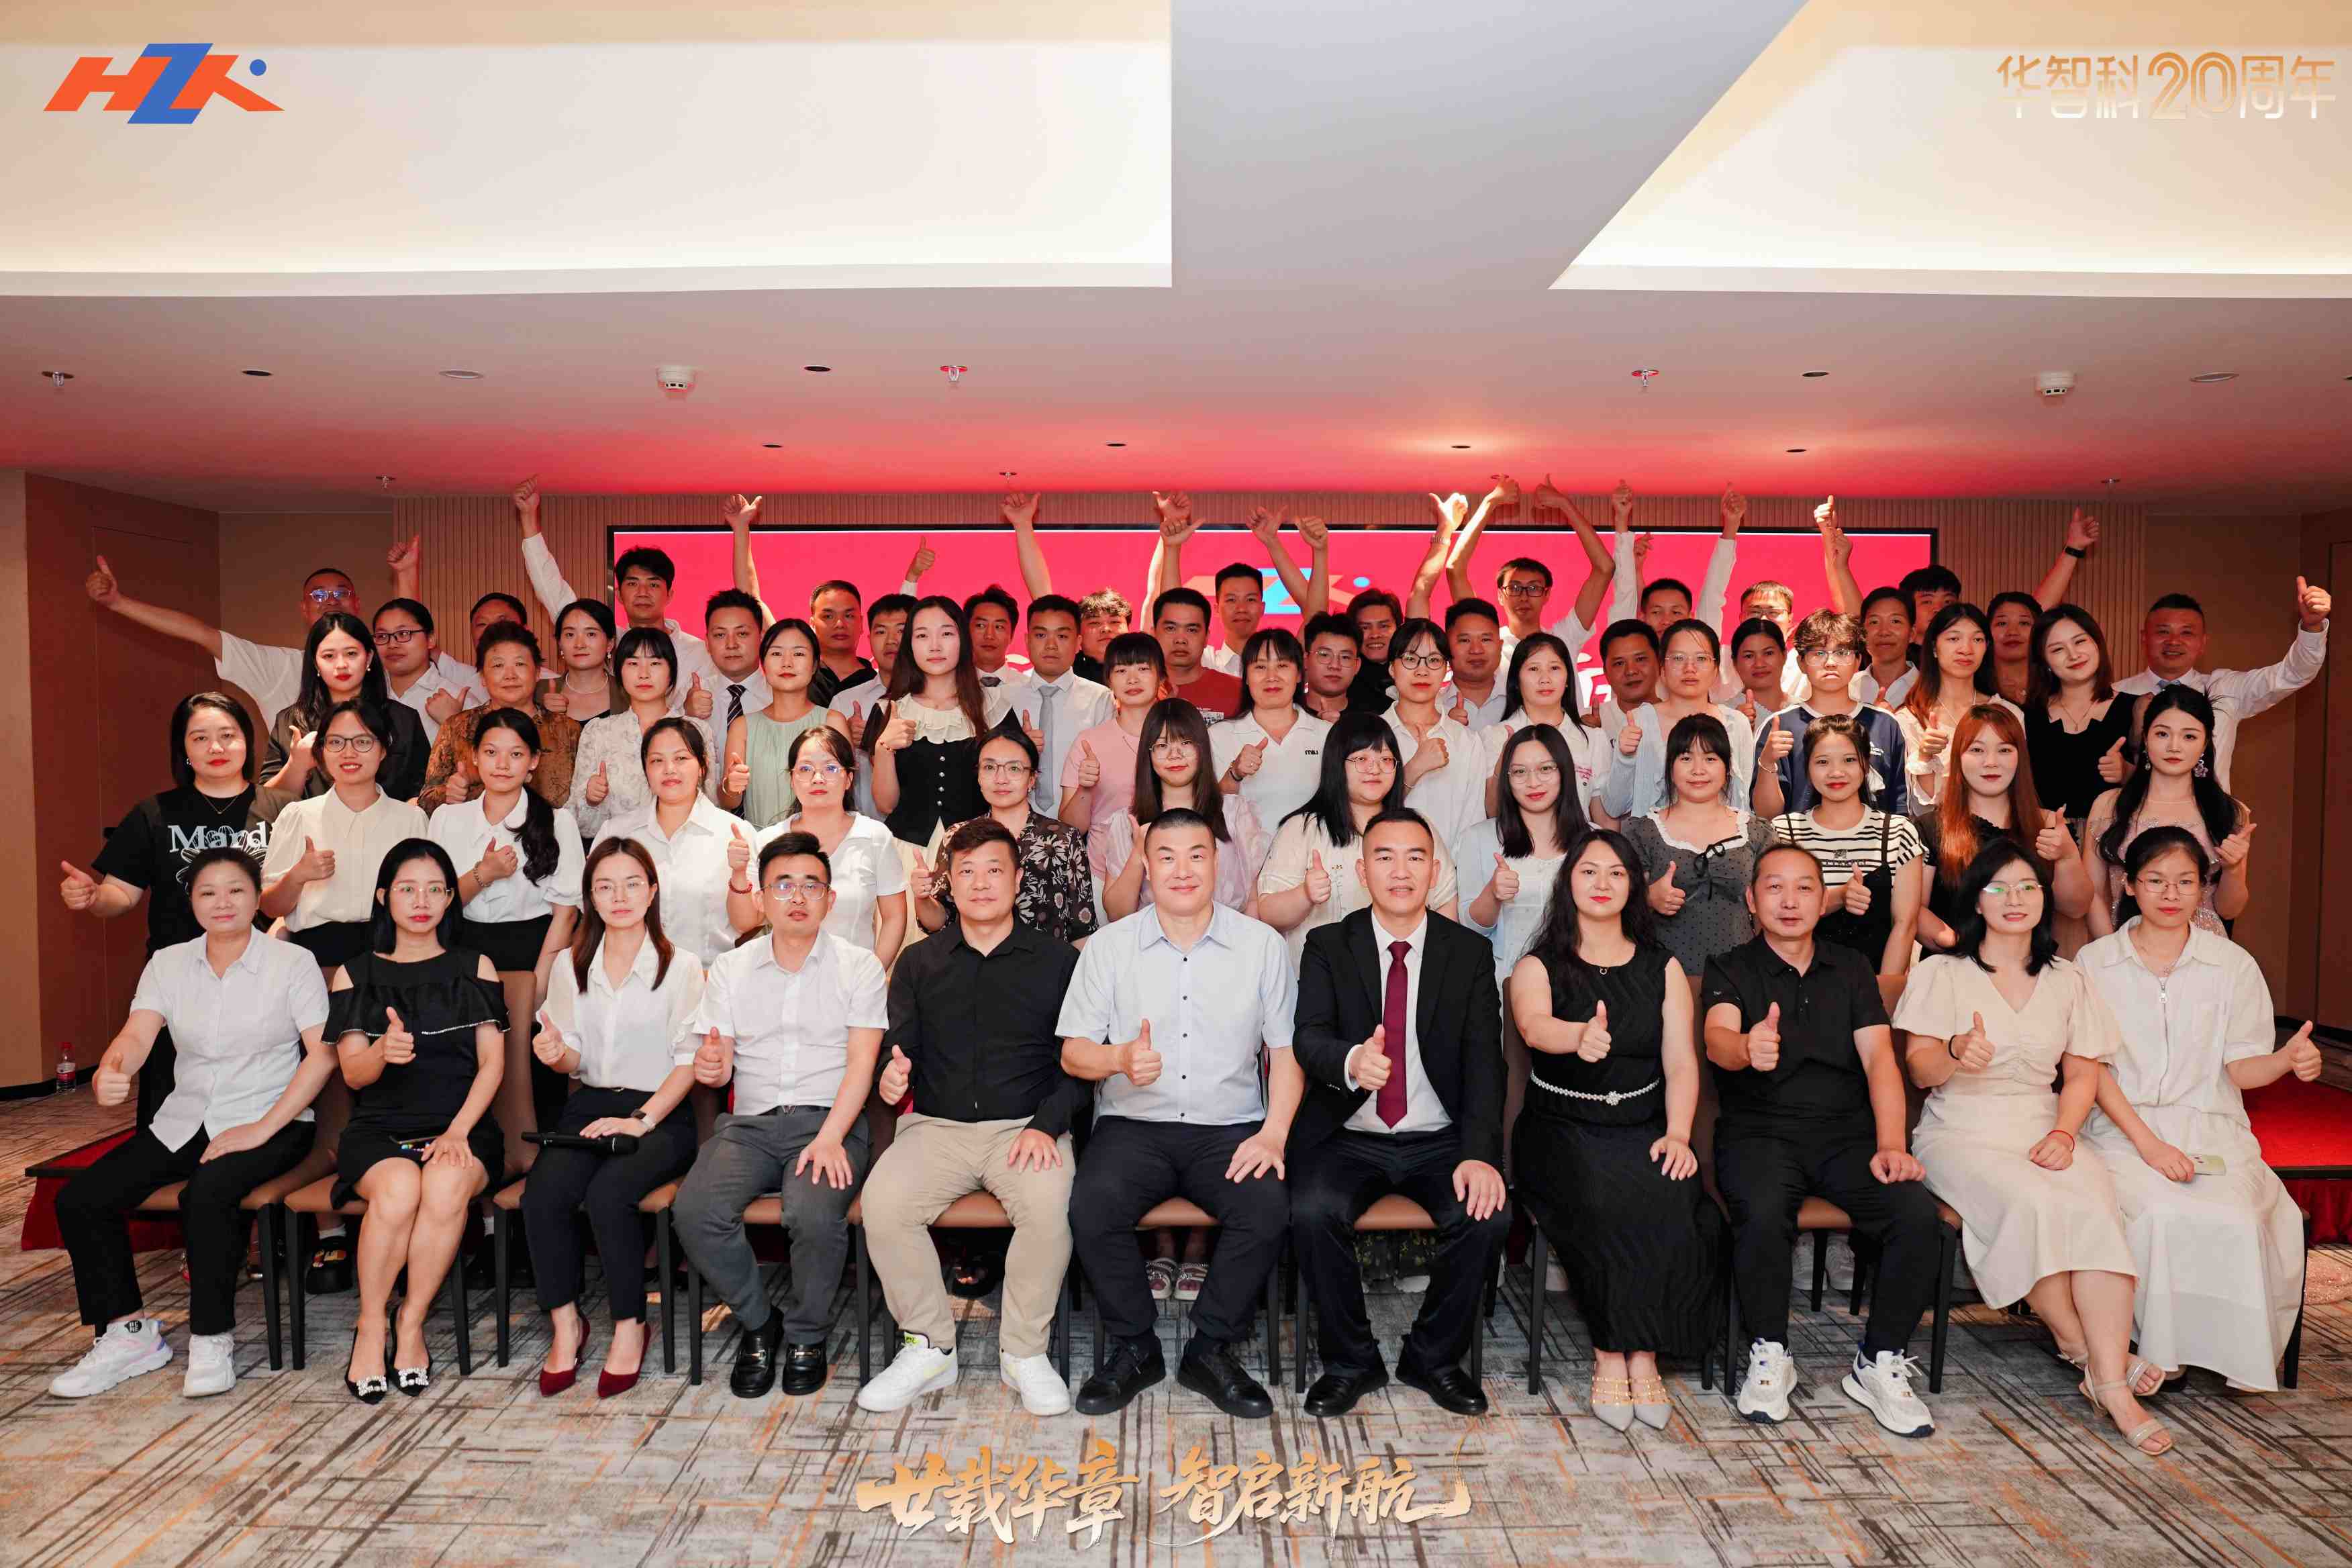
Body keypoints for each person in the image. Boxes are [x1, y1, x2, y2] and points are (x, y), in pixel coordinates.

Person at [1894, 843, 2168, 1456]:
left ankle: (2104, 1374)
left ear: (2044, 900)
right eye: (1999, 888)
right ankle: (2094, 1360)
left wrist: (2065, 1134)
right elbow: (1919, 1070)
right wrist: (1955, 1051)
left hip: (2044, 1126)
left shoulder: (2068, 979)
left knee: (2094, 1204)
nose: (2014, 900)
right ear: (1976, 902)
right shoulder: (1942, 972)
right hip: (1961, 1131)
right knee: (2033, 1203)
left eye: (2027, 888)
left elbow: (2083, 1075)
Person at [48, 848, 335, 1401]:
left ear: (256, 897)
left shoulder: (291, 963)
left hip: (273, 1118)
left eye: (236, 890)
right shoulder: (169, 963)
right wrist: (112, 1069)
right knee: (82, 1198)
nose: (222, 902)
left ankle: (211, 1337)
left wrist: (261, 1129)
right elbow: (137, 1034)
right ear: (191, 901)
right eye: (208, 892)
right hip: (186, 1119)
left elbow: (322, 1055)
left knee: (207, 1193)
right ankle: (128, 1333)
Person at [1059, 810, 1301, 1418]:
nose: (1182, 870)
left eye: (1197, 855)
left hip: (1229, 1126)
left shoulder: (1261, 946)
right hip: (1134, 1126)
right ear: (1147, 865)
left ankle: (1210, 1349)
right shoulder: (1111, 947)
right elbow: (1073, 1052)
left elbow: (1286, 1052)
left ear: (1217, 863)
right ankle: (1135, 1347)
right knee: (1091, 1205)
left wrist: (1274, 1135)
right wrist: (1118, 1058)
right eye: (1166, 857)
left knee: (1266, 1206)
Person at [1702, 843, 1944, 1436]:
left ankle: (1878, 1361)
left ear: (1822, 899)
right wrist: (1747, 1048)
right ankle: (1769, 1352)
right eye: (1775, 888)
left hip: (1845, 1136)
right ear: (1751, 900)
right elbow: (1716, 1040)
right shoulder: (1729, 967)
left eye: (1804, 887)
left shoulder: (1852, 968)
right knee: (1762, 1213)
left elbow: (1881, 1061)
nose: (1789, 901)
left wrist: (1892, 1145)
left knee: (1916, 1215)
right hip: (1759, 1133)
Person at [856, 818, 1087, 1416]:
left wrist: (1046, 1124)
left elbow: (1081, 1065)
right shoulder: (918, 963)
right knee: (884, 1205)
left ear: (1018, 879)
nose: (981, 883)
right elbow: (897, 1050)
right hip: (938, 1127)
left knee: (1050, 1208)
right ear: (949, 885)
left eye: (994, 871)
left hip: (1027, 1127)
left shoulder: (1058, 963)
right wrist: (891, 1076)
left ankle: (1024, 1352)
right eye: (967, 872)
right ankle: (929, 1346)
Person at [2077, 827, 2314, 1392]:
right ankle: (2161, 1350)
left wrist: (2284, 1061)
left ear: (2202, 888)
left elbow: (2242, 1069)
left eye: (2185, 882)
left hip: (2212, 1124)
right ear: (2129, 886)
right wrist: (2149, 1145)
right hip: (2120, 1126)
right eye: (2155, 881)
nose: (2170, 894)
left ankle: (2229, 1351)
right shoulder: (2095, 962)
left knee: (2236, 1213)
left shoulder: (2232, 965)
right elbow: (2092, 1070)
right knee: (2158, 1210)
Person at [1287, 810, 1508, 1416]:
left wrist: (1480, 1154)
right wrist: (1352, 1060)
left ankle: (1432, 1358)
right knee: (1311, 1210)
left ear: (1434, 870)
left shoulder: (1468, 953)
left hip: (1439, 1136)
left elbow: (1485, 1064)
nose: (1401, 871)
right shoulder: (1329, 945)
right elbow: (1308, 1037)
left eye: (1415, 857)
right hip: (1349, 1133)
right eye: (1384, 857)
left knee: (1486, 1215)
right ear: (1363, 872)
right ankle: (1351, 1361)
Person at [1508, 829, 1718, 1430]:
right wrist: (1577, 1035)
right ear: (1568, 882)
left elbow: (1681, 1062)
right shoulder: (1538, 964)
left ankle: (1644, 1355)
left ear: (1633, 888)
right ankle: (1608, 1352)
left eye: (1617, 874)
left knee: (1675, 1192)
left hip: (1643, 1123)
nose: (1602, 884)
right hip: (1560, 1127)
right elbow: (1533, 1027)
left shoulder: (1663, 967)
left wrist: (1678, 1134)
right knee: (1602, 1195)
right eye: (1589, 872)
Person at [674, 832, 885, 1400]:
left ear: (830, 900)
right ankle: (759, 1321)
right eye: (783, 885)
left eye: (811, 886)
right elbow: (717, 1066)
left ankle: (807, 1335)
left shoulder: (859, 967)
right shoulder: (731, 969)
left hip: (828, 1121)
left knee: (812, 1213)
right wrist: (712, 1067)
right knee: (695, 1211)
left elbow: (862, 1065)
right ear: (762, 898)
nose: (797, 897)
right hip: (750, 1127)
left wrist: (833, 1137)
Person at [522, 838, 705, 1399]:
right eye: (605, 887)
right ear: (591, 898)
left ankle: (630, 1324)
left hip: (661, 1113)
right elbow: (574, 1057)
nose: (619, 897)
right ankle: (566, 1323)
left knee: (609, 1195)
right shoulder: (570, 965)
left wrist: (640, 1121)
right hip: (591, 1104)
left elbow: (688, 1063)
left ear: (652, 892)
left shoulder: (682, 966)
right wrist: (556, 1054)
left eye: (631, 884)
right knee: (543, 1195)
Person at [327, 840, 507, 1402]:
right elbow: (353, 1074)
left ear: (451, 897)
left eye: (435, 889)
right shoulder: (355, 974)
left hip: (462, 1126)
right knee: (401, 1187)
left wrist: (458, 1131)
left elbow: (493, 1063)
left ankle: (411, 1322)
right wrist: (382, 1053)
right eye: (408, 889)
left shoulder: (474, 966)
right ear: (385, 896)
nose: (422, 901)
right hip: (378, 1132)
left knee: (447, 1182)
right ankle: (370, 1325)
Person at [62, 693, 289, 1127]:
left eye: (228, 735)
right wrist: (94, 898)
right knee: (170, 1111)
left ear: (247, 741)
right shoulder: (154, 813)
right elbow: (120, 895)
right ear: (183, 750)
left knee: (260, 1105)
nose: (216, 747)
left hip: (262, 978)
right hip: (179, 981)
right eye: (200, 738)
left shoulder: (284, 810)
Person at [429, 709, 585, 1173]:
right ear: (474, 758)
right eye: (491, 752)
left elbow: (565, 913)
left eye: (516, 754)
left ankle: (534, 1174)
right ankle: (477, 1174)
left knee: (533, 1067)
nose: (502, 764)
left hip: (535, 951)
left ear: (534, 761)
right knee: (467, 1065)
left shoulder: (557, 822)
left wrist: (540, 983)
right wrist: (484, 874)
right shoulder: (447, 819)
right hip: (464, 952)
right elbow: (434, 905)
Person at [86, 555, 477, 724]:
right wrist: (119, 603)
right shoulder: (278, 667)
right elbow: (199, 633)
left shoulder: (378, 660)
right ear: (304, 610)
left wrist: (407, 574)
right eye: (318, 596)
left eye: (341, 593)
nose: (331, 601)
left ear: (357, 604)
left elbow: (408, 627)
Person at [1458, 724, 1579, 1180]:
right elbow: (1472, 926)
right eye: (1520, 772)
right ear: (1506, 780)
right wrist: (1493, 894)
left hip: (1576, 989)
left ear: (1564, 773)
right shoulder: (1480, 838)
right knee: (1509, 1095)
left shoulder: (1588, 841)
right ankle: (1508, 1187)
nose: (1534, 782)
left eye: (1545, 769)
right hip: (1502, 988)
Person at [1259, 714, 1462, 967]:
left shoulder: (1418, 826)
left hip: (1405, 977)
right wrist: (1305, 895)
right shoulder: (1303, 828)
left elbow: (1446, 903)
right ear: (1337, 764)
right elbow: (1268, 913)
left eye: (1385, 759)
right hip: (1323, 977)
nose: (1374, 769)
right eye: (1361, 759)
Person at [1765, 714, 1925, 1012]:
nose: (1836, 772)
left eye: (1849, 760)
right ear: (1807, 767)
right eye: (1822, 762)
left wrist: (1880, 995)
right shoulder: (1784, 831)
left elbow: (1905, 925)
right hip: (1793, 993)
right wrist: (1839, 896)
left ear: (1866, 764)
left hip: (1872, 993)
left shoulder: (1897, 831)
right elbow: (1769, 917)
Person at [2110, 579, 2331, 790]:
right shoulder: (2114, 695)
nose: (2174, 641)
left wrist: (2312, 627)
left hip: (2209, 816)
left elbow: (2293, 674)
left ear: (2202, 643)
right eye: (2163, 631)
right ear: (2144, 638)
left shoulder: (2225, 689)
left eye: (2186, 632)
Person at [262, 701, 431, 970]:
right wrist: (298, 875)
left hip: (394, 961)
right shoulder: (298, 816)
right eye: (336, 742)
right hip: (317, 962)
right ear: (322, 751)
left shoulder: (411, 819)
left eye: (363, 742)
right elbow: (270, 907)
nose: (349, 753)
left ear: (383, 750)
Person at [728, 727, 908, 964]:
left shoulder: (874, 836)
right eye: (805, 769)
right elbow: (744, 922)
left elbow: (894, 917)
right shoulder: (769, 840)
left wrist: (873, 973)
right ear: (792, 780)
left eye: (830, 768)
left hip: (854, 976)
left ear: (849, 779)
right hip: (784, 975)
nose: (818, 778)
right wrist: (739, 873)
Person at [2082, 687, 2251, 940]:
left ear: (2205, 744)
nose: (2174, 747)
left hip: (2204, 951)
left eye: (2189, 736)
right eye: (2162, 734)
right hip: (2124, 946)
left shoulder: (2231, 812)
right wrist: (2111, 952)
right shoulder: (2109, 806)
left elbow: (2230, 910)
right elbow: (2093, 893)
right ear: (2145, 738)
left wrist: (2233, 869)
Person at [512, 477, 713, 687]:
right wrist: (528, 518)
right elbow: (553, 592)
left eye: (653, 584)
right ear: (618, 594)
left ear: (669, 595)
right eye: (633, 584)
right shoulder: (606, 643)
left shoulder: (698, 652)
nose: (643, 592)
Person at [1916, 705, 2092, 945]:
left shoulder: (2049, 825)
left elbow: (2076, 908)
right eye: (1977, 750)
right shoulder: (1932, 827)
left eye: (2004, 750)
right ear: (1958, 757)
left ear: (2021, 757)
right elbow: (1913, 909)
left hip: (2031, 964)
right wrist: (1957, 946)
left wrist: (2067, 857)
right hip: (1954, 961)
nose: (1991, 762)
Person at [1624, 715, 1771, 995]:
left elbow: (1771, 909)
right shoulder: (1643, 832)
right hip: (1661, 982)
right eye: (1686, 758)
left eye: (1710, 758)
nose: (1698, 770)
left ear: (1727, 767)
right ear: (1670, 767)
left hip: (1741, 979)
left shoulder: (1756, 832)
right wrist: (1648, 898)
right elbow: (1616, 909)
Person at [914, 727, 1098, 946]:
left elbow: (1082, 928)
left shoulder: (1064, 840)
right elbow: (938, 923)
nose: (1001, 779)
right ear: (978, 776)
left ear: (1032, 779)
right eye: (990, 767)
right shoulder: (957, 836)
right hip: (973, 964)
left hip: (1047, 966)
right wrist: (922, 898)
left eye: (1014, 768)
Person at [591, 720, 747, 967]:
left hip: (708, 979)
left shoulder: (735, 834)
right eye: (657, 761)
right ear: (646, 770)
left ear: (703, 766)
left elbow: (749, 923)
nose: (669, 769)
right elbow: (592, 911)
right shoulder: (617, 834)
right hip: (631, 978)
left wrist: (739, 874)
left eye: (681, 758)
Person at [1102, 699, 1269, 919]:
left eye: (1186, 742)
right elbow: (1117, 914)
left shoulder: (1234, 813)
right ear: (1148, 754)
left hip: (1229, 935)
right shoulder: (1128, 822)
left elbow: (1253, 901)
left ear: (1202, 748)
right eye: (1162, 746)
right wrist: (1138, 852)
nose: (1175, 755)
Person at [869, 597, 1008, 850]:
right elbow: (885, 805)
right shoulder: (889, 709)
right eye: (922, 636)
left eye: (946, 634)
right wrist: (884, 748)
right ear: (910, 645)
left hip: (978, 852)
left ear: (963, 640)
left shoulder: (995, 708)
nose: (935, 646)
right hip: (906, 851)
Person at [1750, 609, 1910, 819]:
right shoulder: (1780, 725)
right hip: (1797, 840)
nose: (1830, 663)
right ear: (1801, 663)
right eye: (1819, 653)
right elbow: (1766, 815)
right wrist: (1768, 762)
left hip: (1873, 840)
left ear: (1858, 661)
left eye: (1842, 653)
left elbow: (1899, 807)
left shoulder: (1885, 724)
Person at [263, 612, 430, 803]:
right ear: (315, 664)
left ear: (369, 658)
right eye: (329, 656)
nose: (341, 665)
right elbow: (266, 803)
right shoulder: (290, 721)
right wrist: (297, 765)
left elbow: (425, 791)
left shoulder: (403, 719)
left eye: (351, 654)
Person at [568, 628, 718, 839]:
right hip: (619, 851)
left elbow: (711, 807)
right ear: (619, 672)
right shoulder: (599, 732)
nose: (644, 674)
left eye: (655, 663)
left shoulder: (697, 730)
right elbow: (576, 824)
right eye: (633, 663)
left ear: (672, 672)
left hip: (682, 849)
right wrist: (591, 799)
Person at [1602, 620, 1757, 819]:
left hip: (1723, 838)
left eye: (1701, 659)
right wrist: (1625, 757)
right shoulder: (1639, 722)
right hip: (1652, 838)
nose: (1689, 668)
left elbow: (1742, 806)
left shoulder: (1736, 724)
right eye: (1678, 658)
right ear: (1662, 669)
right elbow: (1614, 807)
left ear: (1716, 669)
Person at [420, 624, 583, 810]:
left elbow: (584, 802)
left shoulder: (567, 730)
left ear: (538, 672)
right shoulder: (457, 727)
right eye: (498, 665)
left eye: (520, 664)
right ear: (482, 677)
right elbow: (425, 800)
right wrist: (448, 794)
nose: (510, 676)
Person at [1382, 618, 1489, 866]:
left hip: (1449, 879)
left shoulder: (1467, 742)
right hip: (1382, 876)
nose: (1422, 671)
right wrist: (1414, 768)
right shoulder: (1370, 737)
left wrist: (1448, 878)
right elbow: (1359, 815)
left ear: (1445, 669)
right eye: (1410, 659)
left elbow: (1472, 826)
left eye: (1433, 660)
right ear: (1392, 669)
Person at [1895, 603, 2022, 810]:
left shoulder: (2008, 713)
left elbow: (2019, 787)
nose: (1966, 649)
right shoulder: (1909, 718)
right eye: (1954, 639)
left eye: (1977, 640)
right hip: (1934, 827)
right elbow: (1920, 801)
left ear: (1987, 647)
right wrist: (1925, 756)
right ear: (1934, 648)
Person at [999, 593, 1112, 822]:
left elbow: (1108, 773)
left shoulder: (1100, 699)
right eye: (1041, 635)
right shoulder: (1004, 697)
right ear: (1027, 640)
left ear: (1078, 643)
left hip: (1083, 826)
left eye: (1062, 636)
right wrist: (1018, 749)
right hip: (1013, 825)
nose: (1051, 645)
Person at [1057, 630, 1164, 871]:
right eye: (1121, 671)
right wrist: (1085, 788)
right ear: (1109, 680)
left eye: (1143, 669)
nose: (1132, 679)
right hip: (1103, 873)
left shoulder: (1180, 738)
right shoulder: (1089, 743)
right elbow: (1071, 829)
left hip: (1169, 872)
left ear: (1161, 676)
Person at [2023, 604, 2133, 833]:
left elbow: (2166, 783)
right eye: (2058, 650)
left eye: (2080, 641)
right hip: (2046, 840)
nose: (2073, 655)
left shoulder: (2136, 708)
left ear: (2097, 643)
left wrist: (2127, 772)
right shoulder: (2028, 715)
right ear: (2044, 662)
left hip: (2114, 840)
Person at [1211, 628, 1332, 830]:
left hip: (1312, 851)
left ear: (1299, 674)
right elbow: (1207, 811)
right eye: (1260, 667)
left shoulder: (1327, 735)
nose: (1272, 677)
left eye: (1282, 665)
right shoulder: (1218, 736)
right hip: (1244, 852)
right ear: (1246, 677)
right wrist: (1234, 774)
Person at [1480, 632, 1601, 820]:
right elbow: (1492, 812)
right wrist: (1502, 768)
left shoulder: (1594, 739)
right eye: (1534, 669)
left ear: (1568, 679)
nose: (1545, 679)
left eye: (1554, 668)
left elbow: (1603, 818)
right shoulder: (1495, 737)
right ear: (1516, 681)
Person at [722, 618, 827, 828]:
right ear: (763, 664)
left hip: (819, 840)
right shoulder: (742, 726)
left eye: (798, 654)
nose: (787, 663)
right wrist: (731, 786)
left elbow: (842, 794)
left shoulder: (832, 722)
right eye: (776, 654)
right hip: (761, 842)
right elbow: (729, 802)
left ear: (815, 665)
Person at [371, 598, 480, 742]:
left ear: (430, 639)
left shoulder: (459, 700)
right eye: (382, 636)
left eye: (403, 634)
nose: (392, 644)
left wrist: (452, 723)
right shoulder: (366, 696)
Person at [1150, 587, 1244, 722]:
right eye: (1171, 628)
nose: (1181, 640)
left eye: (1192, 630)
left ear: (1207, 637)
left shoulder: (1239, 692)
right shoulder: (1133, 691)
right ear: (1154, 634)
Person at [544, 599, 621, 722]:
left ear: (610, 644)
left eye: (591, 634)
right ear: (560, 644)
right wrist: (540, 714)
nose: (579, 645)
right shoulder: (537, 692)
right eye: (570, 635)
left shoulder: (628, 694)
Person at [1437, 599, 1509, 730]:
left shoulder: (1523, 703)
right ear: (1446, 647)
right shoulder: (1433, 707)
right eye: (1465, 640)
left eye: (1485, 639)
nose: (1476, 650)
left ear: (1500, 646)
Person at [1853, 587, 1920, 709]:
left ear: (1912, 634)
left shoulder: (1929, 689)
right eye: (1874, 622)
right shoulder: (1847, 688)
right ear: (1862, 633)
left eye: (1895, 621)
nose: (1884, 632)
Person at [1346, 589, 1405, 714]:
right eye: (1365, 628)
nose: (1375, 635)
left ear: (1398, 628)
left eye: (1384, 626)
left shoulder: (1411, 670)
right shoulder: (1344, 677)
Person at [1300, 611, 1363, 722]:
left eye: (1345, 657)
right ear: (1306, 660)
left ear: (1357, 666)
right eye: (1325, 655)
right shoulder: (1286, 715)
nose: (1335, 666)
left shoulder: (1373, 718)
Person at [1726, 618, 1790, 721]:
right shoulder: (1722, 716)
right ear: (1735, 662)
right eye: (1749, 656)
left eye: (1768, 653)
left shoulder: (1805, 711)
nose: (1759, 664)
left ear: (1784, 655)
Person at [1987, 591, 2042, 708]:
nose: (2012, 632)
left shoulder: (2056, 685)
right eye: (2002, 623)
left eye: (2024, 623)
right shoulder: (1974, 686)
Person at [1074, 587, 1131, 684]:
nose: (1106, 629)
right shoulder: (1063, 671)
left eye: (1114, 622)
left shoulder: (1148, 664)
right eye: (1095, 623)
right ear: (1078, 635)